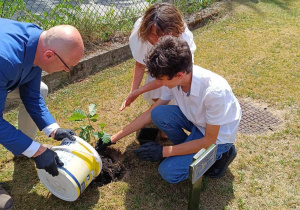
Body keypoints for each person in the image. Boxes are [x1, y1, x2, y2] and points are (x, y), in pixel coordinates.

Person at [97, 36, 241, 183]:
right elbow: (149, 115)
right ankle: (188, 149)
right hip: (198, 122)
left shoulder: (214, 92)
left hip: (217, 138)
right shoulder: (176, 81)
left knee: (168, 172)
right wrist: (113, 138)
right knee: (158, 113)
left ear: (179, 75)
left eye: (161, 79)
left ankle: (221, 155)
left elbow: (208, 141)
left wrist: (163, 151)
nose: (159, 83)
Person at [0, 18, 84, 209]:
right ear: (49, 55)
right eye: (66, 66)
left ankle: (22, 149)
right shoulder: (4, 59)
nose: (65, 71)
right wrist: (38, 151)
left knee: (41, 89)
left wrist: (53, 130)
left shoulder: (37, 41)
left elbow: (31, 94)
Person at [119, 2, 196, 111]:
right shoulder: (141, 33)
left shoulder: (183, 38)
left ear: (172, 31)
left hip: (179, 71)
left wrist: (139, 91)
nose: (156, 40)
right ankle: (159, 110)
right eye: (153, 34)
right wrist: (133, 92)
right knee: (155, 83)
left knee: (180, 86)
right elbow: (140, 64)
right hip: (160, 77)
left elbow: (164, 80)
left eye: (161, 35)